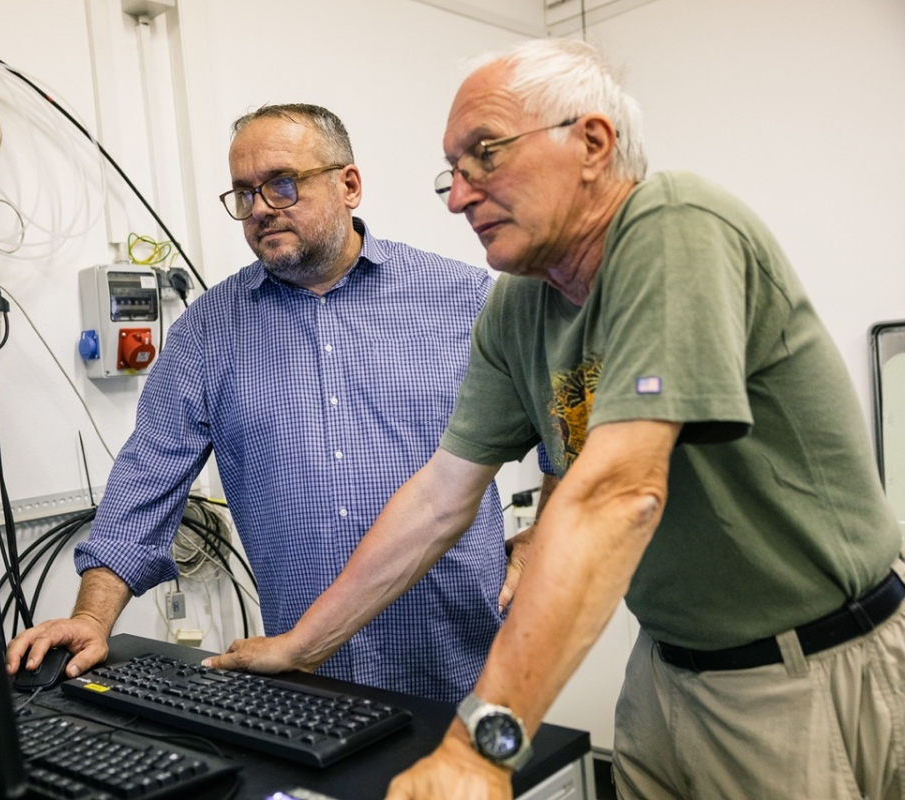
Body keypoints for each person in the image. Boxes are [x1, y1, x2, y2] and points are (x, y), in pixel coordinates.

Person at [206, 41, 905, 799]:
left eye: (486, 155)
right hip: (668, 665)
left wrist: (483, 748)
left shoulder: (675, 222)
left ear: (592, 145)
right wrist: (302, 646)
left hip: (803, 669)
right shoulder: (519, 305)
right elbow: (440, 498)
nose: (459, 195)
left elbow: (618, 493)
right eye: (454, 170)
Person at [6, 103, 542, 704]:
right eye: (243, 193)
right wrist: (92, 618)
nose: (260, 208)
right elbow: (144, 482)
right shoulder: (208, 332)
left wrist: (543, 532)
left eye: (282, 184)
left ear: (349, 185)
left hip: (468, 666)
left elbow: (568, 437)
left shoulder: (464, 299)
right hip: (310, 682)